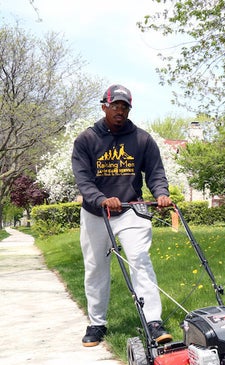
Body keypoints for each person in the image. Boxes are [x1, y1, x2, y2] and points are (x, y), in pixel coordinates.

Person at [72, 84, 173, 347]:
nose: (119, 110)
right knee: (95, 268)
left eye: (124, 106)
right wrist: (102, 199)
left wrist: (161, 192)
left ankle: (153, 322)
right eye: (114, 105)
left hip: (131, 211)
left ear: (129, 109)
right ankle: (97, 323)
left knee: (140, 260)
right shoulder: (86, 139)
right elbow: (83, 180)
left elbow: (155, 172)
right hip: (96, 214)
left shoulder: (141, 139)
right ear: (104, 106)